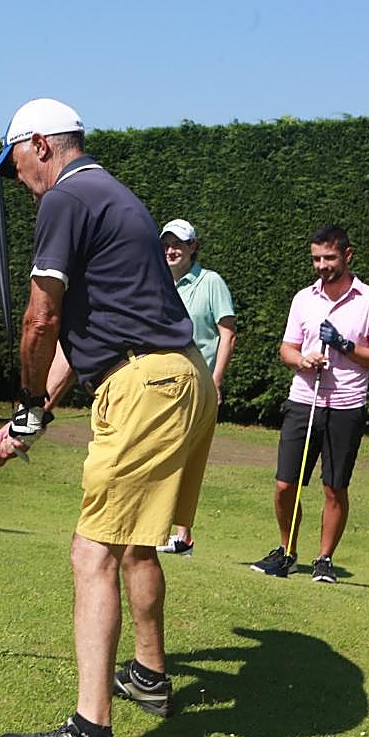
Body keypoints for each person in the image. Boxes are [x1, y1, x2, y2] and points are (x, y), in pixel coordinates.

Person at [0, 98, 218, 737]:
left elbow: (40, 318)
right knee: (136, 542)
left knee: (93, 554)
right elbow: (87, 338)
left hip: (145, 386)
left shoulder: (66, 198)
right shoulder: (115, 197)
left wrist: (27, 400)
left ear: (42, 145)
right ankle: (146, 675)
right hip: (181, 378)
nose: (18, 177)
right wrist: (34, 415)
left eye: (17, 162)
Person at [250, 224, 369, 582]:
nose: (322, 265)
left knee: (334, 487)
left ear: (347, 255)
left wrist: (345, 346)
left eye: (329, 257)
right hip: (303, 399)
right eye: (316, 258)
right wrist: (303, 360)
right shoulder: (304, 299)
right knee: (285, 485)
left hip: (346, 404)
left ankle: (324, 559)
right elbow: (287, 348)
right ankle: (287, 552)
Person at [156, 218, 237, 557]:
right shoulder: (157, 281)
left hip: (197, 384)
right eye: (167, 244)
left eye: (179, 244)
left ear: (193, 247)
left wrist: (215, 381)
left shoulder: (211, 282)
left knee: (185, 456)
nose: (172, 250)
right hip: (162, 382)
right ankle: (160, 529)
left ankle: (182, 536)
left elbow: (227, 333)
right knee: (162, 451)